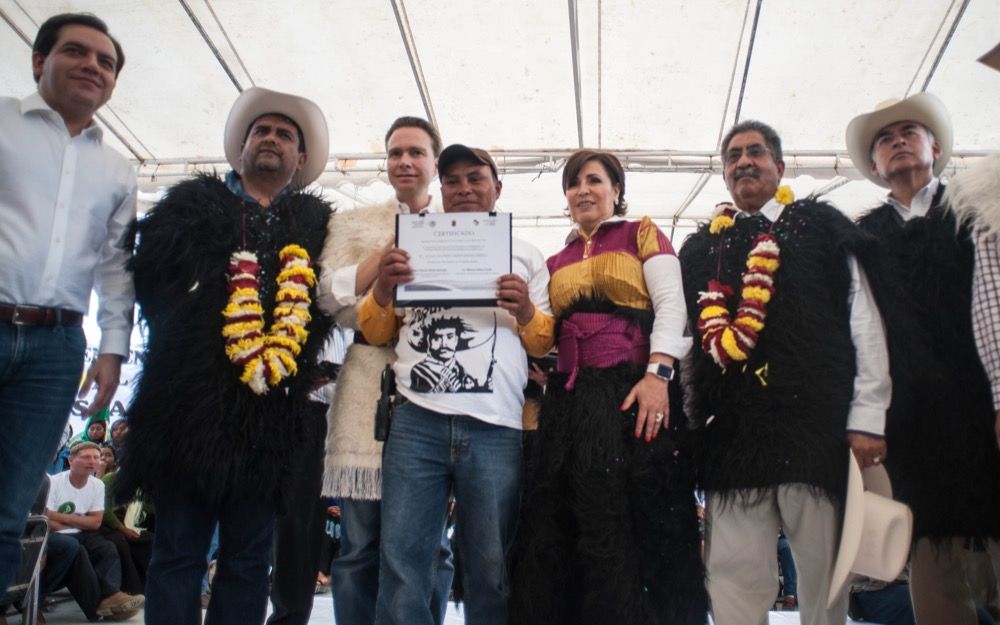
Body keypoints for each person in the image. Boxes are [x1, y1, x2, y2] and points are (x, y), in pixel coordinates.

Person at [116, 86, 334, 625]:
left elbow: (327, 303)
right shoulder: (193, 205)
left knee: (248, 556)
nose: (271, 139)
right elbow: (150, 281)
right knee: (179, 551)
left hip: (270, 417)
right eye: (261, 131)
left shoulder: (316, 224)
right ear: (241, 147)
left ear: (300, 159)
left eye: (285, 135)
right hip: (189, 406)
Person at [678, 120, 890, 625]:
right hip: (732, 435)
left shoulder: (820, 226)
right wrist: (689, 426)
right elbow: (690, 345)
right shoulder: (702, 247)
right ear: (725, 174)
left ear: (781, 165)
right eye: (733, 156)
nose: (743, 162)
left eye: (755, 152)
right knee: (733, 572)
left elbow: (866, 321)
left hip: (812, 427)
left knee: (822, 570)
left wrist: (868, 415)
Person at [508, 149, 706, 624]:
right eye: (573, 184)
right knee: (566, 525)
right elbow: (547, 334)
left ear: (616, 191)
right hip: (570, 405)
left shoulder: (642, 233)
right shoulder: (556, 258)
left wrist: (658, 375)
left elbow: (672, 307)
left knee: (636, 522)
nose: (583, 191)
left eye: (594, 181)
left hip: (631, 395)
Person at [359, 144, 554, 625]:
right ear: (440, 190)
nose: (464, 188)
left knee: (490, 568)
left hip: (496, 426)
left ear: (497, 188)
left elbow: (545, 344)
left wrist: (526, 310)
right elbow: (375, 331)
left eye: (475, 178)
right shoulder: (410, 246)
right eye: (452, 181)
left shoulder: (526, 254)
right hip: (415, 418)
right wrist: (383, 289)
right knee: (403, 563)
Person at [847, 93, 1000, 625]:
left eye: (909, 132)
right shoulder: (861, 238)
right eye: (884, 140)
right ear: (873, 166)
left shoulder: (980, 210)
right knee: (931, 559)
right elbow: (859, 334)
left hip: (987, 410)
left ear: (935, 147)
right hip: (911, 423)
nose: (897, 142)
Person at [0, 12, 135, 591]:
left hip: (58, 348)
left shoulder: (118, 169)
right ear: (39, 61)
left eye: (105, 62)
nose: (92, 66)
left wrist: (112, 350)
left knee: (10, 510)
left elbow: (114, 266)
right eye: (77, 52)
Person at [316, 116, 453, 625]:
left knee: (432, 546)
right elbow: (326, 295)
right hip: (367, 387)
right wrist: (380, 262)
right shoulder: (353, 223)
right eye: (396, 153)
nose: (405, 161)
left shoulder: (460, 222)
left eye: (416, 152)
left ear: (434, 164)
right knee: (360, 544)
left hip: (440, 387)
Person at [46, 442, 143, 620]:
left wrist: (63, 518)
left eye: (95, 458)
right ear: (71, 460)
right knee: (78, 550)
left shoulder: (97, 485)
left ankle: (111, 596)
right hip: (55, 534)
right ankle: (99, 608)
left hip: (81, 532)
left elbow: (95, 523)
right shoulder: (54, 482)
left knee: (107, 548)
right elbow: (47, 519)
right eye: (86, 457)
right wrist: (80, 521)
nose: (92, 462)